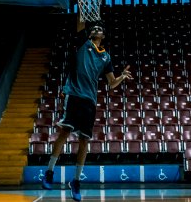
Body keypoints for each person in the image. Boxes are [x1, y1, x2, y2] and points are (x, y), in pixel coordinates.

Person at [41, 16, 132, 201]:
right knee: (64, 132)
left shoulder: (106, 57)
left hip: (89, 101)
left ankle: (75, 181)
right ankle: (49, 172)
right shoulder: (83, 43)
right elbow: (81, 23)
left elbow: (112, 83)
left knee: (84, 141)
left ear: (103, 35)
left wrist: (122, 76)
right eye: (94, 27)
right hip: (74, 94)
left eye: (99, 28)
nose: (96, 29)